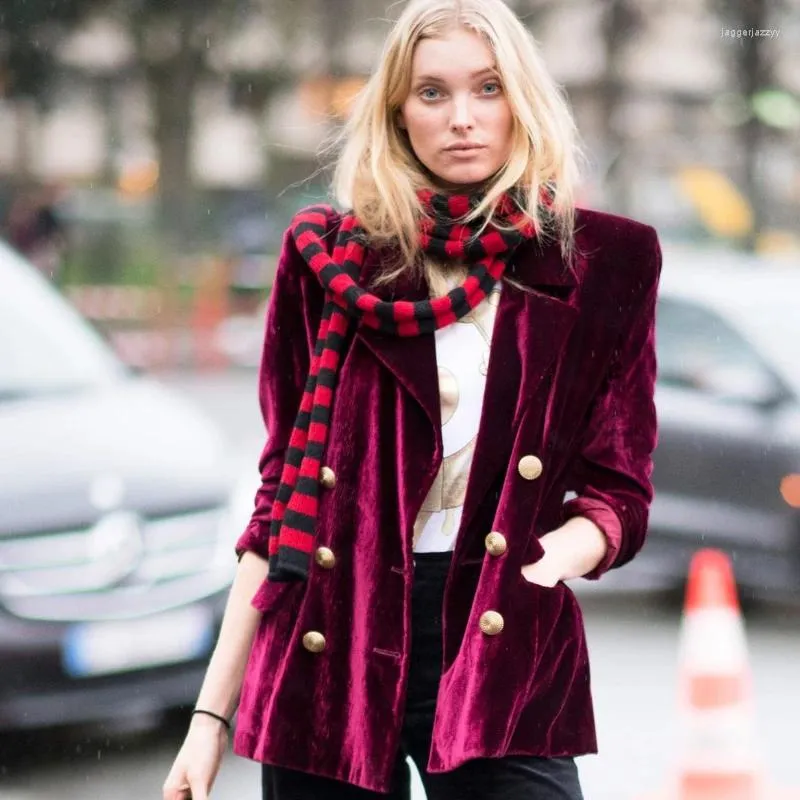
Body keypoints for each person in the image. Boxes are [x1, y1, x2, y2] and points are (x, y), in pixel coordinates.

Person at [163, 0, 661, 798]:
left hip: (499, 637)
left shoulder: (605, 263)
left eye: (488, 88)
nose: (462, 118)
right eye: (432, 92)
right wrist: (208, 720)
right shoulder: (328, 261)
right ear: (397, 111)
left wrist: (553, 559)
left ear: (522, 99)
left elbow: (619, 489)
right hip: (334, 642)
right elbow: (280, 501)